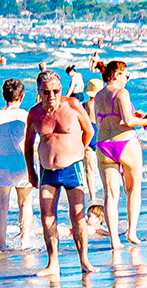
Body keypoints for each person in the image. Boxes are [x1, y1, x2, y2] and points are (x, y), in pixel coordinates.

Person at [24, 71, 94, 275]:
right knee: (47, 217)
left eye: (55, 91)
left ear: (61, 90)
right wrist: (31, 171)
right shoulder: (35, 114)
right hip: (47, 172)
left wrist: (78, 151)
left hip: (72, 168)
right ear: (39, 92)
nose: (51, 96)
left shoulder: (72, 106)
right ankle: (53, 263)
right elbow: (28, 144)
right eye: (46, 92)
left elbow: (89, 131)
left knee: (77, 216)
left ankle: (84, 260)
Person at [94, 59, 147, 248]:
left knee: (110, 195)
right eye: (126, 75)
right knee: (133, 189)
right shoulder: (122, 93)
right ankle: (132, 232)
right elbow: (127, 121)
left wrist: (137, 116)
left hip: (103, 145)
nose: (127, 79)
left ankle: (114, 240)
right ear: (116, 74)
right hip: (125, 143)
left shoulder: (98, 96)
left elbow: (101, 121)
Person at [0, 79, 32, 251]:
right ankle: (25, 241)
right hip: (22, 164)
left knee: (0, 206)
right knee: (25, 203)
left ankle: (2, 245)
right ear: (22, 96)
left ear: (3, 95)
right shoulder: (26, 116)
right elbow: (34, 143)